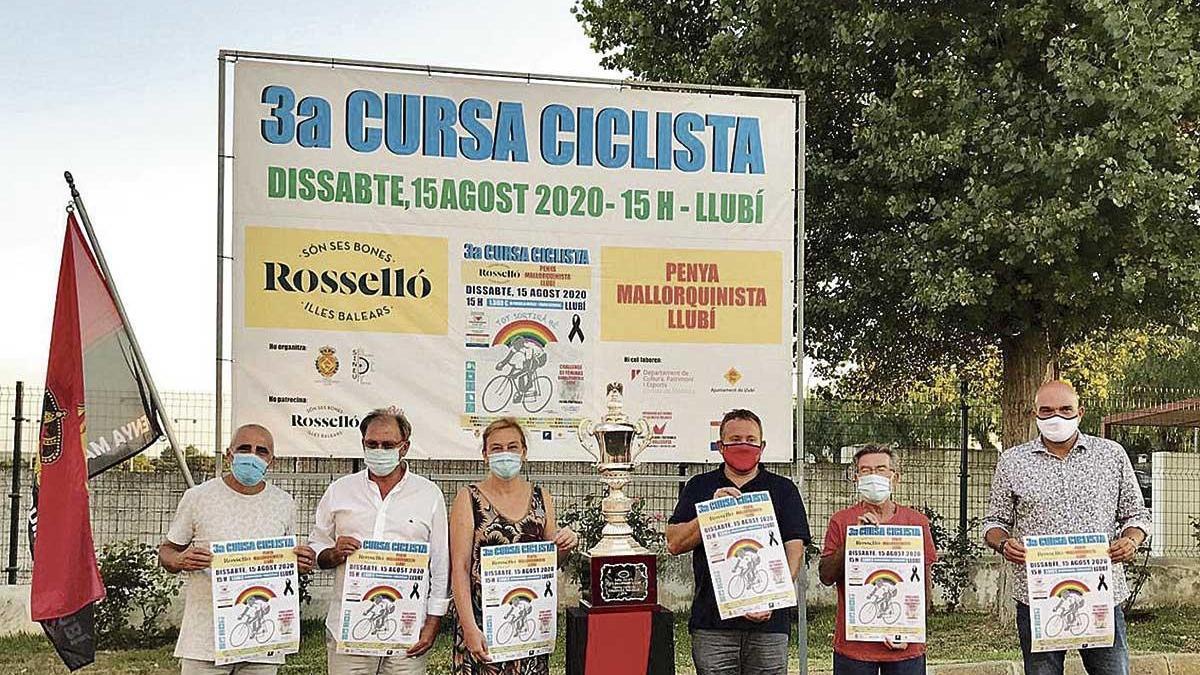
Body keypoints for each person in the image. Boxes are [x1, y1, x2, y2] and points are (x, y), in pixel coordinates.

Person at [982, 380, 1150, 675]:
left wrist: (1131, 540)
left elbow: (1137, 514)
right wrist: (1004, 544)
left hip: (1101, 594)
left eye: (1064, 409)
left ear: (1080, 412)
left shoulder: (1111, 455)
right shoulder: (1012, 461)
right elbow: (994, 522)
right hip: (1038, 596)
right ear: (1034, 414)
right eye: (1046, 411)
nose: (1055, 417)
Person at [159, 424, 317, 675]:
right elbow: (166, 551)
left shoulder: (284, 503)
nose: (252, 456)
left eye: (261, 451)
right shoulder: (198, 497)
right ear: (229, 454)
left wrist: (300, 563)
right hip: (205, 639)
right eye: (244, 448)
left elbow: (286, 562)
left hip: (263, 640)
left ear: (271, 461)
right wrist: (180, 560)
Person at [666, 409, 811, 675]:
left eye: (750, 439)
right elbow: (674, 543)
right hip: (712, 624)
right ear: (720, 446)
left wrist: (772, 597)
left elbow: (795, 548)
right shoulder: (699, 486)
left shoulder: (784, 489)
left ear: (762, 446)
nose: (743, 445)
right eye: (734, 440)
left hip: (769, 625)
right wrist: (711, 511)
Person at [310, 407, 450, 675]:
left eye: (388, 445)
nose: (379, 450)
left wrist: (433, 624)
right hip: (347, 632)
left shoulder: (428, 494)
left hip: (408, 632)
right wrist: (332, 553)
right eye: (371, 444)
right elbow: (317, 546)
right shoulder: (340, 490)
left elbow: (440, 564)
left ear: (404, 447)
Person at [450, 417, 578, 674]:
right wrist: (469, 628)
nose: (505, 454)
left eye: (512, 447)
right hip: (482, 624)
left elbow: (551, 560)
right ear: (485, 455)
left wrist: (566, 544)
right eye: (496, 448)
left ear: (524, 452)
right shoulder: (469, 498)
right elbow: (460, 568)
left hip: (528, 621)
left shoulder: (542, 497)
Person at [819, 444, 936, 675]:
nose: (873, 476)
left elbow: (924, 585)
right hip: (853, 648)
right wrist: (854, 539)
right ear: (856, 478)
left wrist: (912, 632)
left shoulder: (916, 522)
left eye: (881, 469)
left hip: (905, 648)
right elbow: (825, 575)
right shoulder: (841, 521)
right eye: (865, 470)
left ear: (895, 477)